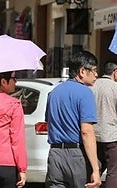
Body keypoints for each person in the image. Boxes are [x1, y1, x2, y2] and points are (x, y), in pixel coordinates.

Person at [45, 50, 101, 188]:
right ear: (82, 71)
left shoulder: (53, 93)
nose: (96, 74)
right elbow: (86, 131)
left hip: (55, 154)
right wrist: (96, 169)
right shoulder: (85, 93)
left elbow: (49, 122)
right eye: (93, 70)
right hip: (76, 155)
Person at [91, 62, 117, 188]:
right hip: (111, 136)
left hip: (92, 135)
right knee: (113, 172)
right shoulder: (115, 87)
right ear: (115, 72)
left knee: (94, 169)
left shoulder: (92, 85)